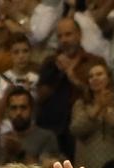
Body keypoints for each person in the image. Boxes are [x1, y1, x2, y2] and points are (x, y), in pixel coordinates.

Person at [35, 18, 106, 157]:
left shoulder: (94, 62)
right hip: (51, 128)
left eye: (68, 34)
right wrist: (59, 73)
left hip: (82, 130)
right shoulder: (50, 62)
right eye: (60, 36)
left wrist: (72, 76)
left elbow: (99, 94)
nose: (64, 40)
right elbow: (40, 97)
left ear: (79, 35)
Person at [0, 88, 61, 165]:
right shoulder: (1, 139)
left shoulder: (47, 137)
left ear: (32, 110)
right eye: (14, 108)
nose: (18, 113)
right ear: (7, 111)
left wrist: (20, 153)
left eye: (23, 107)